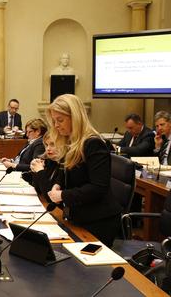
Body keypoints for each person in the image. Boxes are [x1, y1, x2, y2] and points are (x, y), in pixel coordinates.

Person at [44, 94, 122, 246]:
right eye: (54, 121)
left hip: (98, 220)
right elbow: (66, 170)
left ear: (75, 117)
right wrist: (58, 184)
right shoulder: (70, 141)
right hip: (78, 214)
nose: (56, 125)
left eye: (60, 120)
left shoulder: (94, 143)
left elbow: (98, 187)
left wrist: (63, 195)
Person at [26, 131, 61, 196]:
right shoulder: (49, 161)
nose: (48, 149)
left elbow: (49, 195)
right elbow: (37, 189)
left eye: (52, 144)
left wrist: (40, 171)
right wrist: (35, 171)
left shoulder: (63, 165)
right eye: (46, 145)